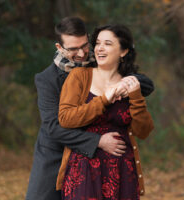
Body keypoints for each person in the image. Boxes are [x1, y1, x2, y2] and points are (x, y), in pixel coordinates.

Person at [26, 17, 154, 200]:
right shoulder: (47, 79)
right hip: (56, 152)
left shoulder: (101, 61)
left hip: (113, 163)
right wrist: (98, 141)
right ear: (59, 48)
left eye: (85, 45)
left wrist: (126, 83)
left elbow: (147, 85)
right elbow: (54, 127)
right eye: (72, 49)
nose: (81, 53)